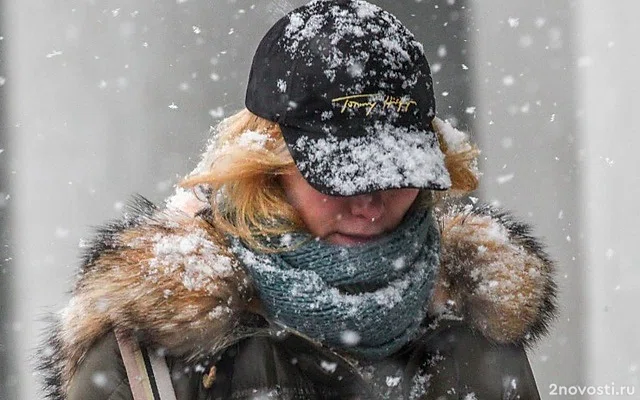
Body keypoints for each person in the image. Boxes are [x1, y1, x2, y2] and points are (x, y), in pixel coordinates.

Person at [39, 0, 557, 399]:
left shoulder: (473, 320)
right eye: (341, 177)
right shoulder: (151, 347)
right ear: (265, 168)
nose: (370, 204)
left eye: (399, 174)